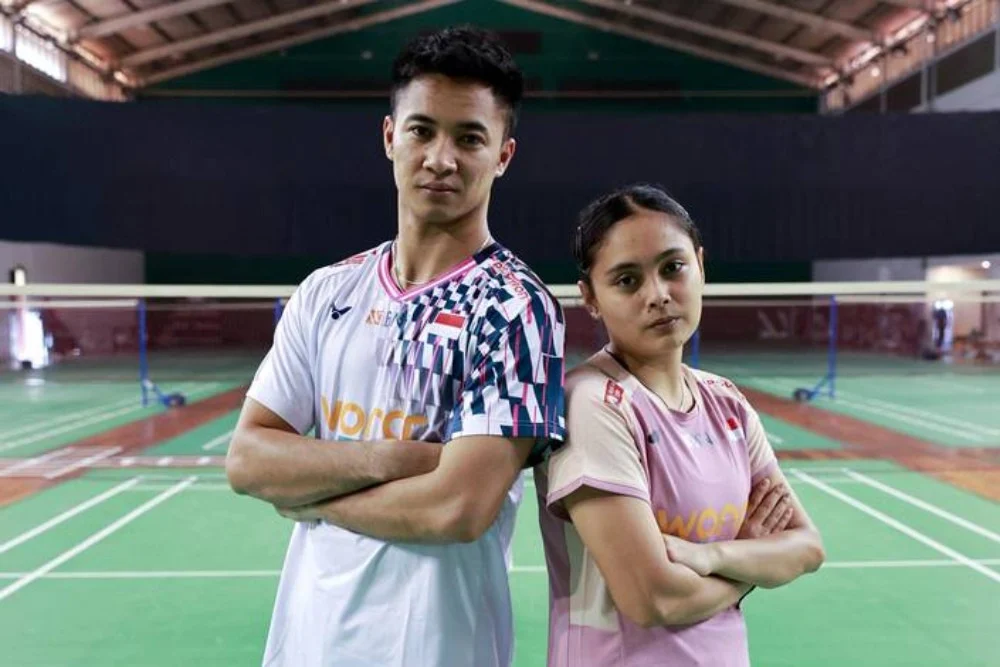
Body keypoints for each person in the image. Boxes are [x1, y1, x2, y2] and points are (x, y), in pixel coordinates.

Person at [226, 26, 566, 667]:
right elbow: (248, 460)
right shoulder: (327, 291)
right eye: (421, 130)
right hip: (308, 645)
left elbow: (459, 508)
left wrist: (310, 494)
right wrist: (393, 456)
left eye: (469, 138)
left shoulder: (516, 308)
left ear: (503, 155)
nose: (441, 158)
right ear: (390, 137)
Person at [534, 184, 825, 666]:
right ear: (590, 297)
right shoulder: (593, 404)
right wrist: (753, 559)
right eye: (627, 280)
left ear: (700, 266)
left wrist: (714, 556)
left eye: (673, 268)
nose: (658, 295)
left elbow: (807, 546)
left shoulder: (726, 402)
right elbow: (653, 599)